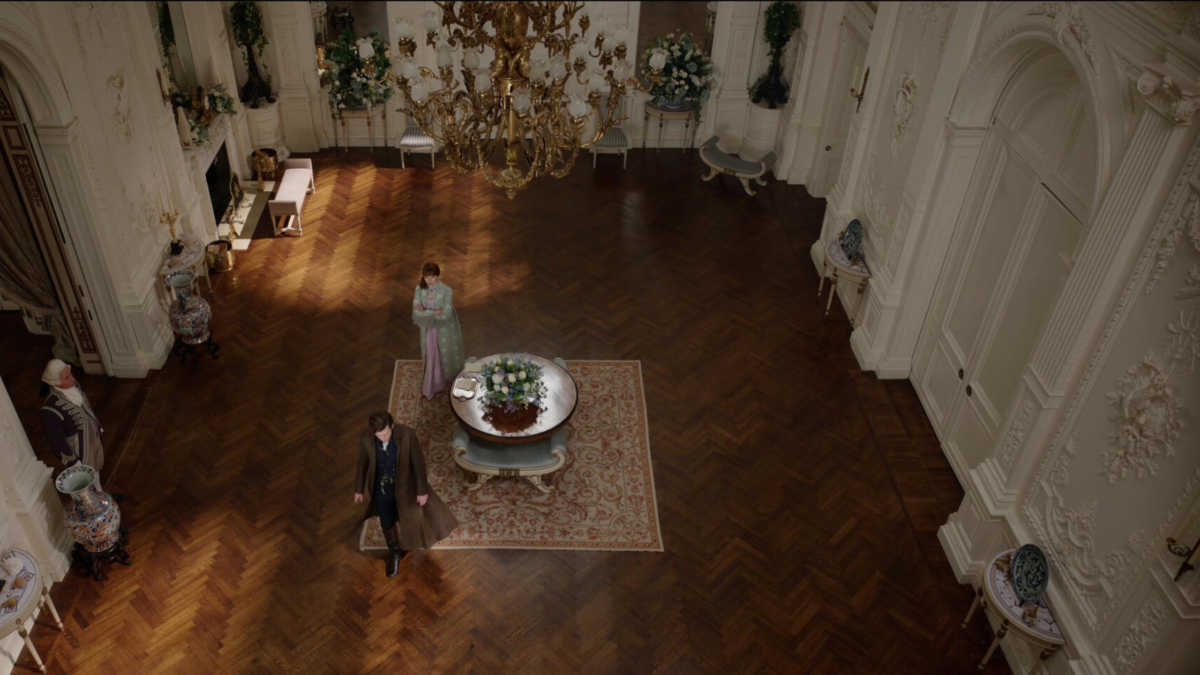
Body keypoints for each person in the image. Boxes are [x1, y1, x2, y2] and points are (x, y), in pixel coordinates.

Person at [354, 412, 458, 577]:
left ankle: (414, 541)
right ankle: (394, 551)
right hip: (381, 490)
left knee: (411, 517)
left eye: (386, 433)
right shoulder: (366, 439)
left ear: (392, 427)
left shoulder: (408, 435)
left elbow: (418, 464)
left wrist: (421, 491)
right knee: (387, 521)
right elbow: (362, 464)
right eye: (379, 435)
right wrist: (358, 489)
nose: (383, 438)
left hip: (405, 488)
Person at [39, 358, 119, 498]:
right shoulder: (50, 408)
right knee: (85, 482)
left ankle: (100, 496)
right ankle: (92, 505)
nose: (72, 378)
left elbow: (86, 407)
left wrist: (96, 427)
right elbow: (56, 440)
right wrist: (72, 461)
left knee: (96, 470)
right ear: (56, 383)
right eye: (67, 377)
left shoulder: (74, 386)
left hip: (93, 438)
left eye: (70, 375)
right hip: (79, 448)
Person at [411, 262, 465, 400]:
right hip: (428, 329)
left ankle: (446, 377)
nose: (429, 280)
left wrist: (426, 311)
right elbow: (416, 312)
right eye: (426, 276)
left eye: (432, 276)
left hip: (443, 328)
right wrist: (434, 312)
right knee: (431, 353)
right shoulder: (419, 289)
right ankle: (433, 384)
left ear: (438, 276)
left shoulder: (446, 291)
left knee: (443, 352)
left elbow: (445, 314)